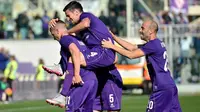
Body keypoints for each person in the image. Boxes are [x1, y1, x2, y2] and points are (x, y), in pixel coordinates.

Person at [48, 1, 122, 112]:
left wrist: (76, 74)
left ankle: (63, 93)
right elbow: (67, 37)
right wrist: (54, 23)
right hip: (98, 73)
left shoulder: (86, 16)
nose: (68, 19)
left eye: (69, 15)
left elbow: (84, 23)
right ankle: (62, 69)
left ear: (77, 12)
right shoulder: (82, 32)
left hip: (104, 56)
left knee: (74, 57)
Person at [101, 20, 182, 112]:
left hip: (161, 88)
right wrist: (114, 37)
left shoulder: (152, 45)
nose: (140, 30)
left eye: (143, 28)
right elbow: (131, 47)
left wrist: (111, 46)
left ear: (150, 31)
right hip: (170, 86)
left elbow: (130, 55)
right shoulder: (157, 43)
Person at [45, 20, 98, 112]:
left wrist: (76, 75)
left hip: (81, 80)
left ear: (58, 31)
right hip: (92, 79)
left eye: (53, 35)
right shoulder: (77, 38)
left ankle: (62, 95)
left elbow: (75, 52)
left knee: (71, 110)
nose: (54, 38)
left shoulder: (65, 39)